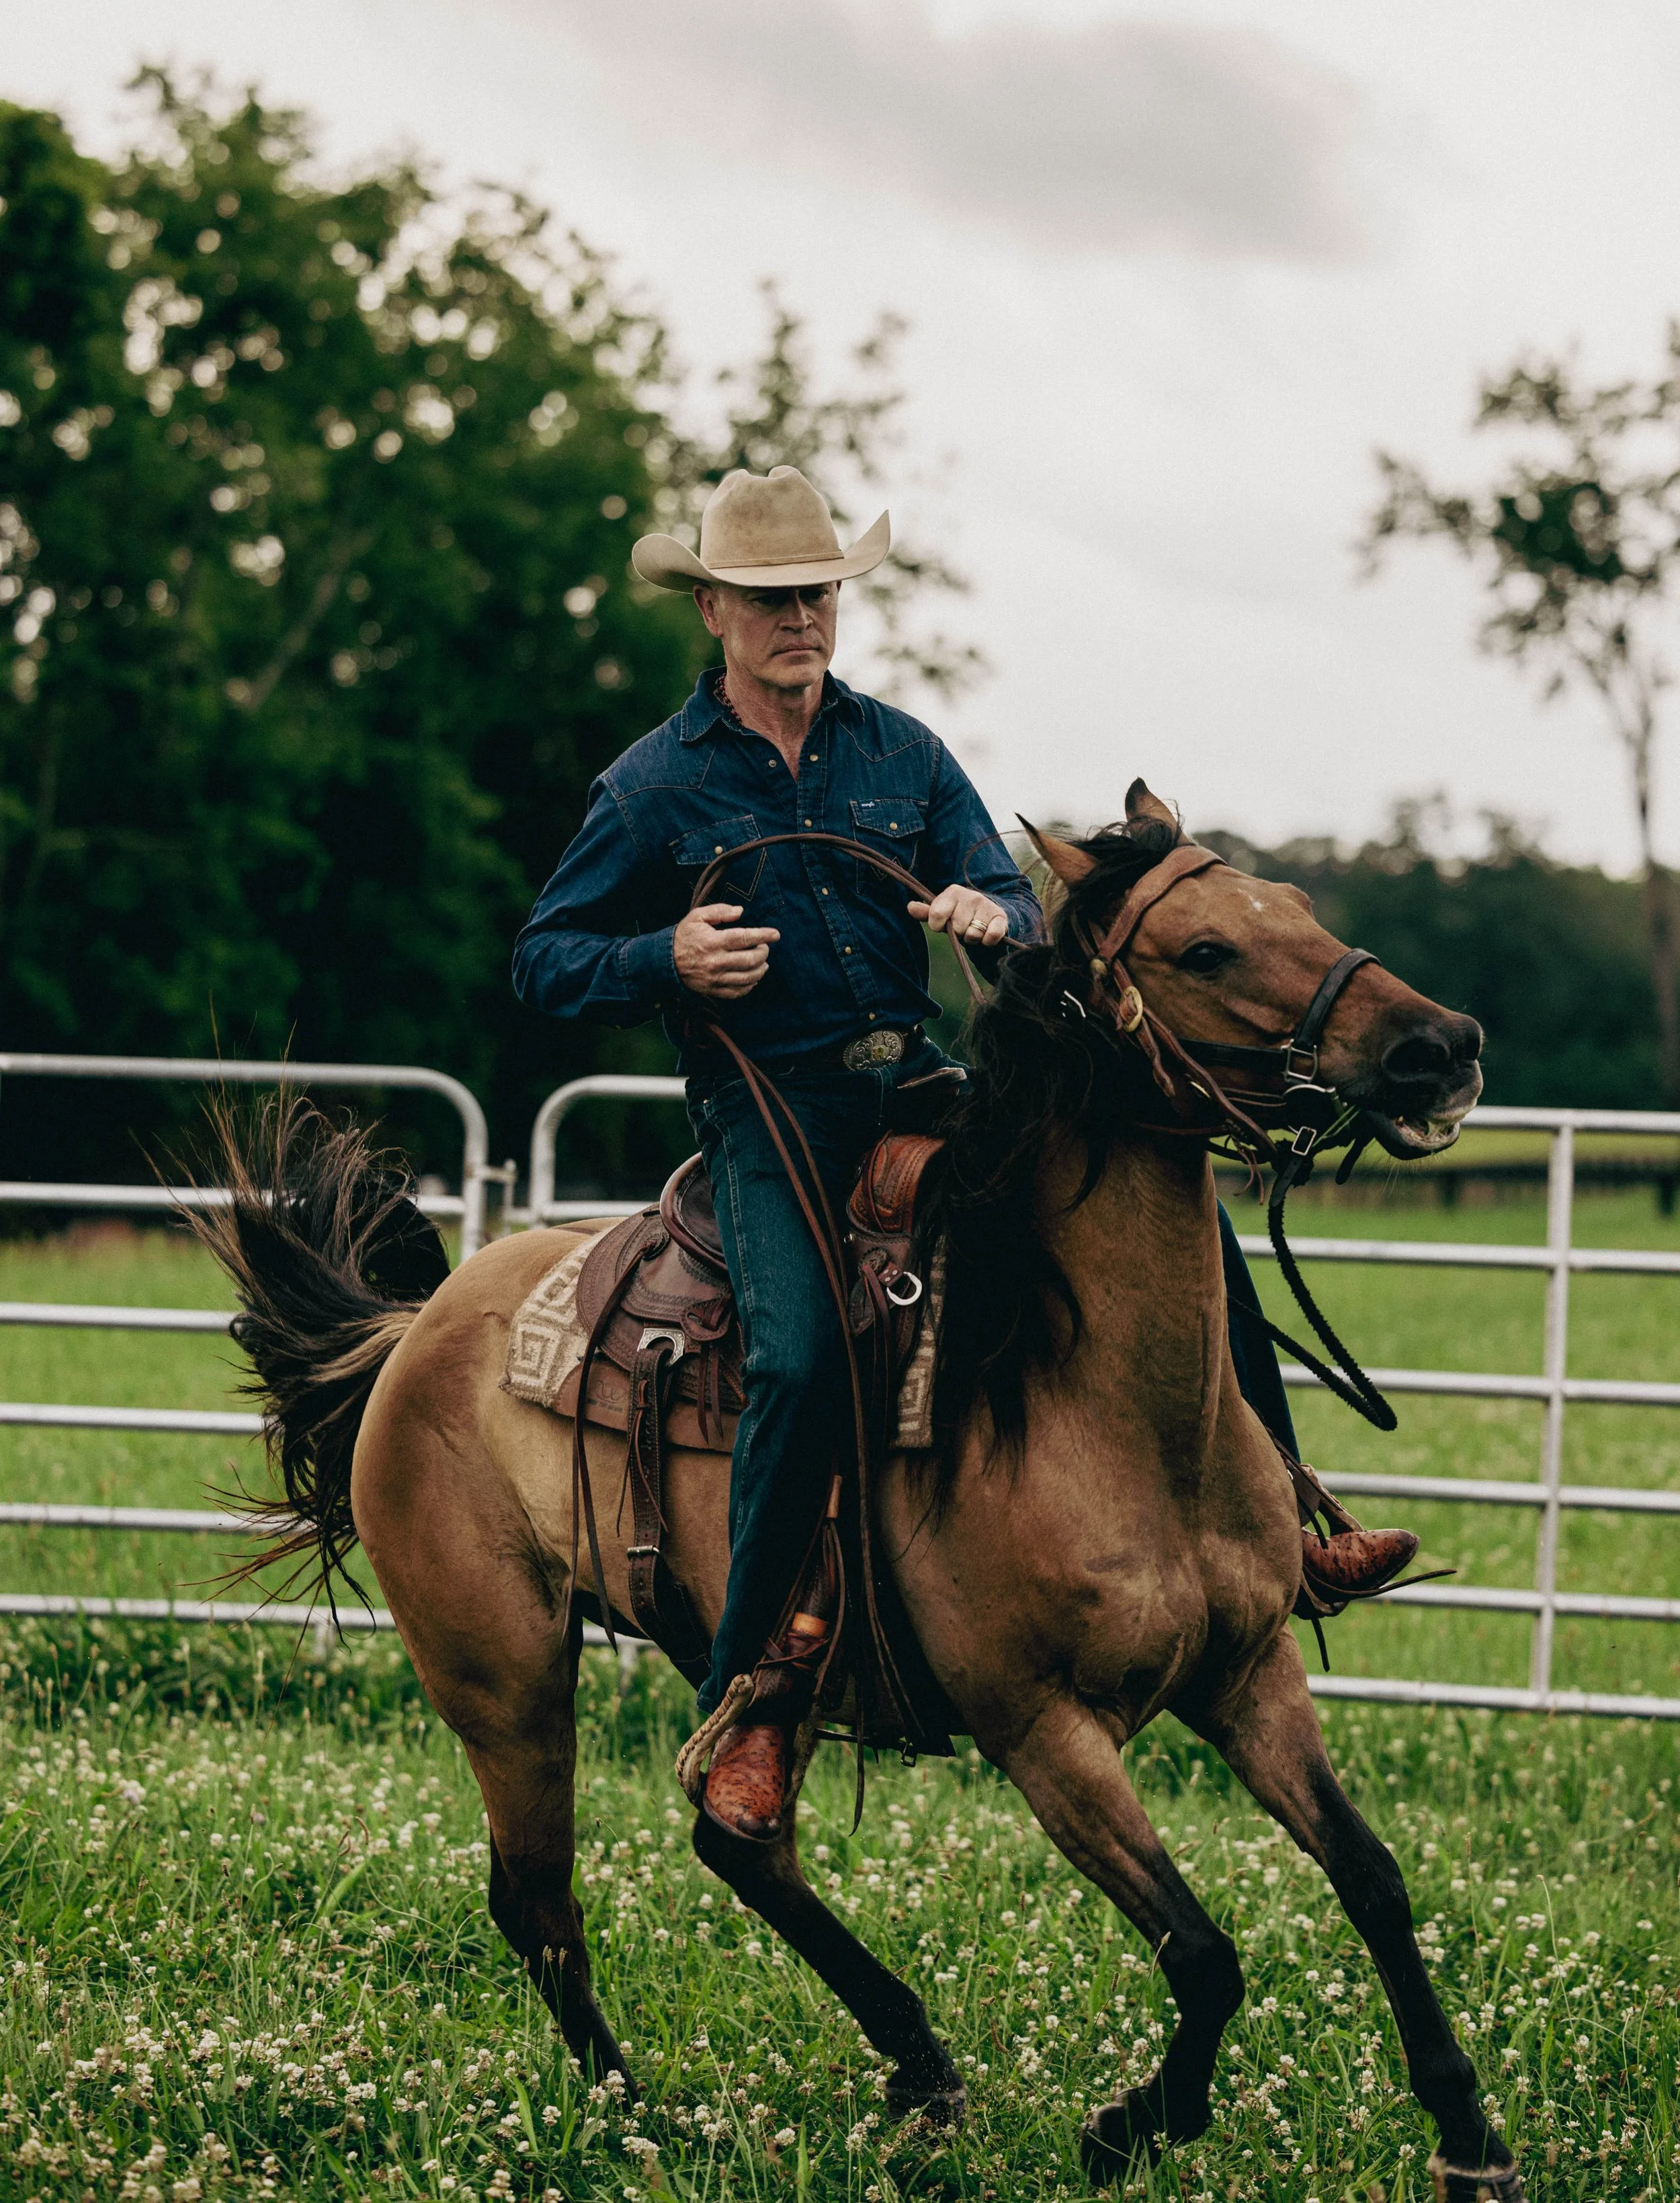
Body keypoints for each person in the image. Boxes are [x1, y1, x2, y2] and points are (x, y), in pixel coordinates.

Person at [513, 466, 1414, 1841]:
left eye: (815, 589)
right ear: (712, 608)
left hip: (917, 1085)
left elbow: (1002, 881)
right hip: (771, 1114)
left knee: (1163, 1203)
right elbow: (543, 958)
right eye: (766, 596)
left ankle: (1287, 1519)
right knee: (804, 1353)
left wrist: (989, 915)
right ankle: (757, 1689)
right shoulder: (650, 785)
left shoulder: (901, 750)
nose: (797, 615)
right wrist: (664, 955)